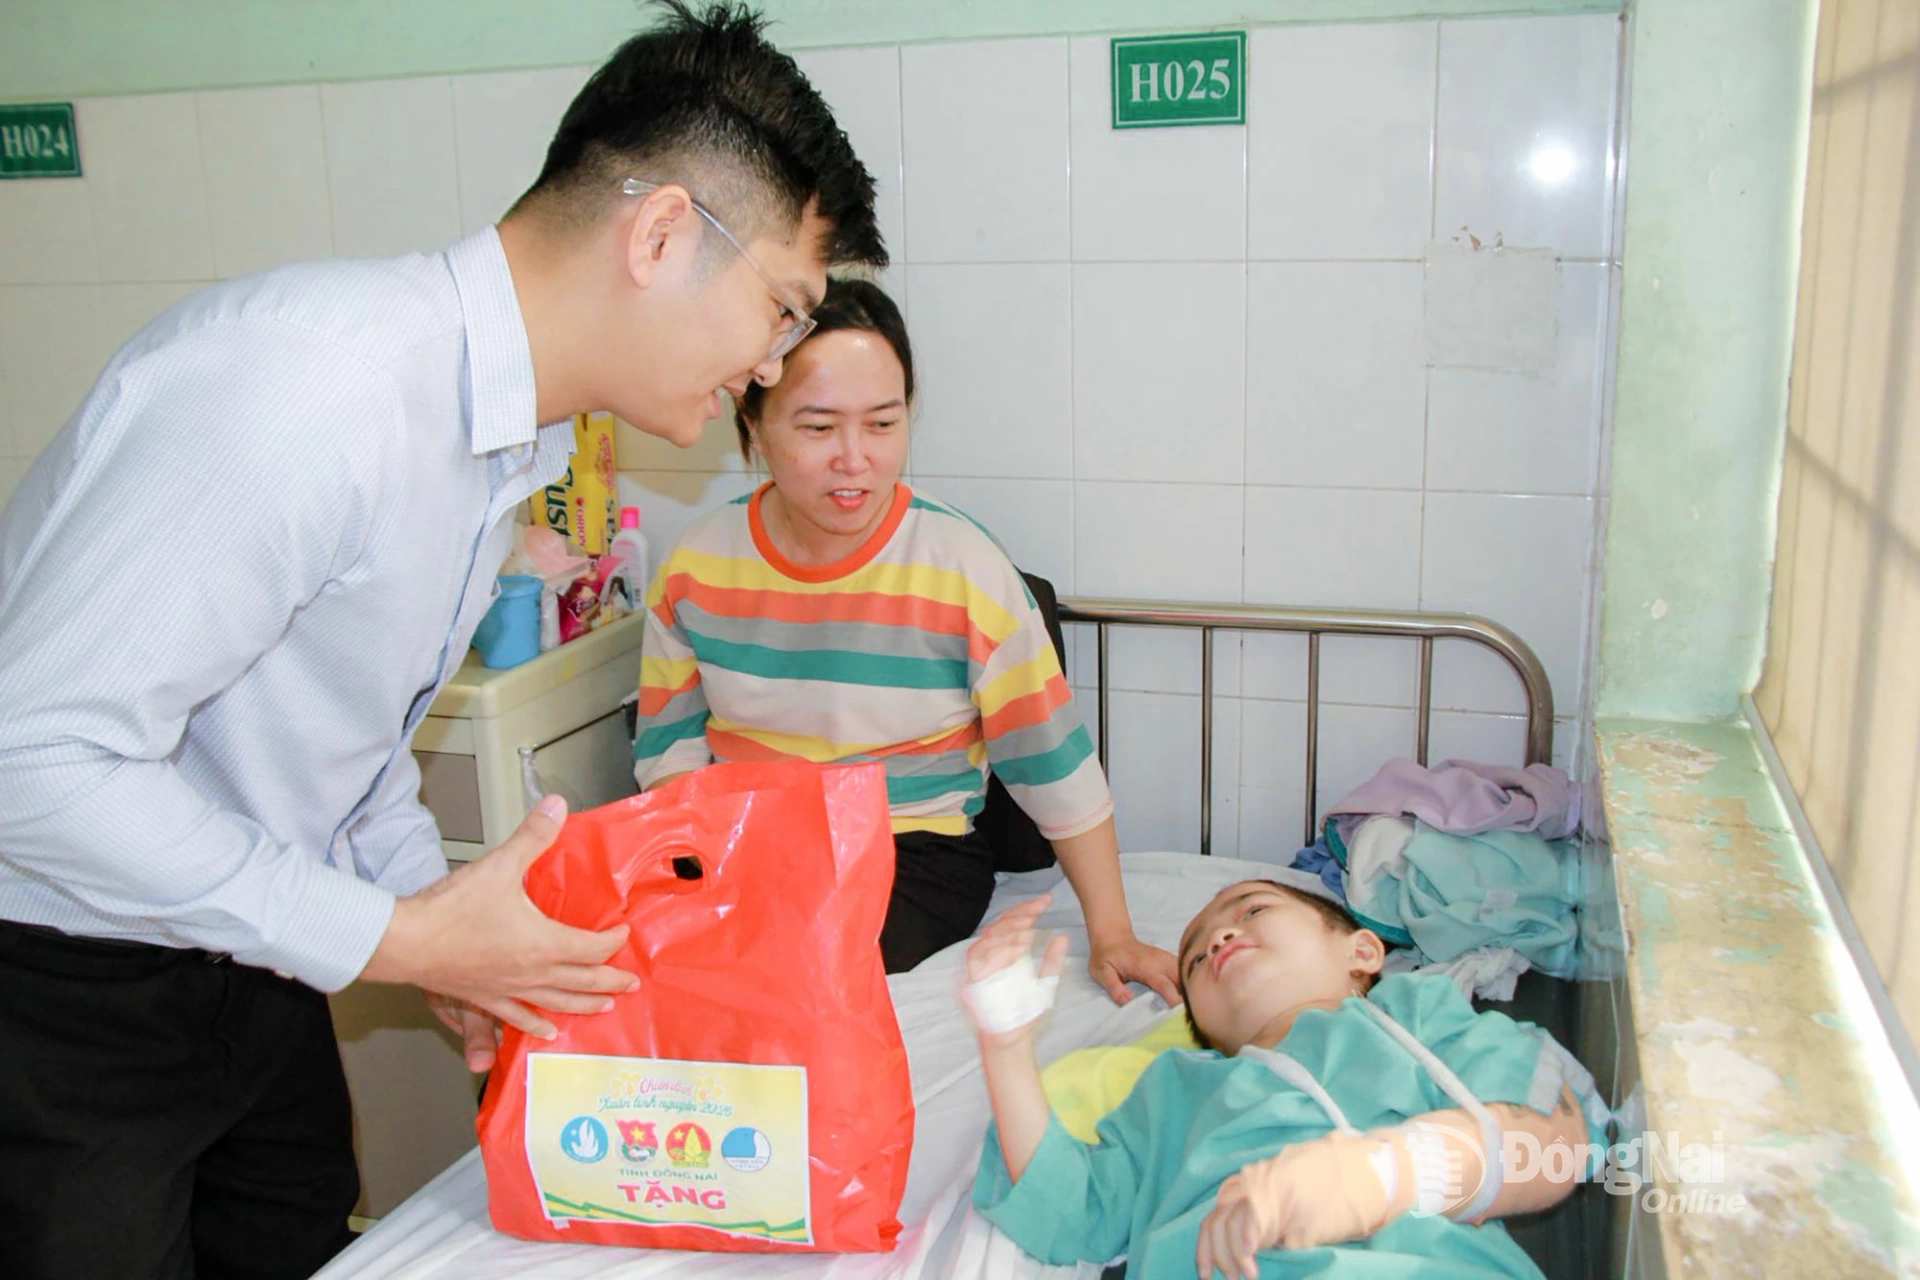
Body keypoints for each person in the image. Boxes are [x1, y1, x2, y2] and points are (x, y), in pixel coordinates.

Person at [0, 5, 884, 1278]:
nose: (767, 366)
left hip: (251, 954)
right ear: (660, 234)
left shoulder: (502, 440)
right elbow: (33, 761)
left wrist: (439, 922)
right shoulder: (310, 390)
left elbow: (345, 741)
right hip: (64, 988)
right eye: (783, 311)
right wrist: (401, 938)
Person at [631, 278, 1180, 1002]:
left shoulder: (962, 568)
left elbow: (1051, 763)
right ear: (753, 424)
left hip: (909, 852)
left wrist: (1112, 932)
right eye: (818, 428)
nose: (854, 458)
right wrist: (696, 868)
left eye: (883, 424)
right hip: (749, 841)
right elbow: (669, 751)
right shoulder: (698, 564)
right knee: (632, 954)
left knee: (794, 966)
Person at [962, 881, 1611, 1279]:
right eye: (1194, 958)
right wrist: (1005, 1046)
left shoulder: (1415, 1017)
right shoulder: (1172, 1092)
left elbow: (1553, 1140)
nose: (1219, 936)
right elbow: (1072, 1211)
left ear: (1362, 952)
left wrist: (1383, 1174)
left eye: (1252, 910)